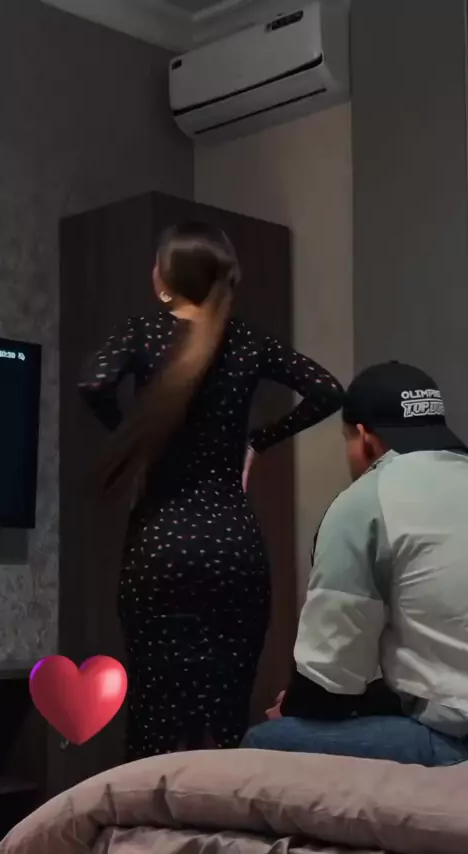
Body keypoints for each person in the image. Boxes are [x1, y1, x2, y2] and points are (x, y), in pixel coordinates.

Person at [78, 221, 343, 759]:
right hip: (233, 548)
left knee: (154, 723)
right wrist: (258, 441)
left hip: (161, 546)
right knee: (224, 724)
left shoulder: (143, 332)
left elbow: (94, 382)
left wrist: (134, 436)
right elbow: (327, 389)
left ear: (164, 280)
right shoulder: (248, 340)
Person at [242, 361, 468, 767]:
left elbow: (330, 680)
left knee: (265, 740)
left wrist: (293, 706)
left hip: (456, 738)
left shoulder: (367, 501)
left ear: (364, 438)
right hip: (450, 707)